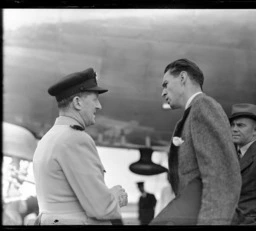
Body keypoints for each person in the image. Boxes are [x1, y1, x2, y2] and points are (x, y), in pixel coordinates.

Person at [150, 58, 241, 225]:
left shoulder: (203, 106)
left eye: (165, 84)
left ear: (183, 78)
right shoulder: (191, 115)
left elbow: (222, 179)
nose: (163, 92)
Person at [33, 68, 128, 225]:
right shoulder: (75, 139)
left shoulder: (48, 139)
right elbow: (101, 208)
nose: (99, 106)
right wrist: (115, 197)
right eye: (95, 99)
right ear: (77, 102)